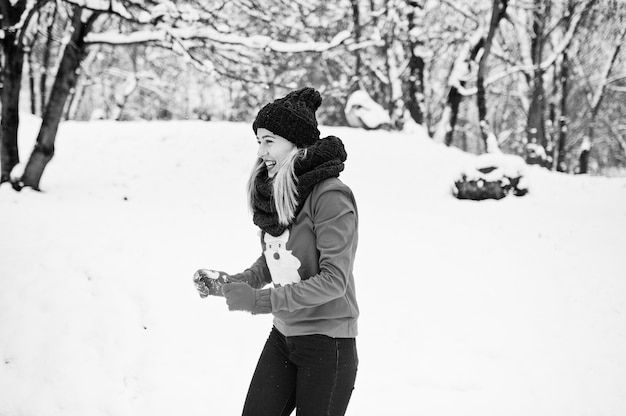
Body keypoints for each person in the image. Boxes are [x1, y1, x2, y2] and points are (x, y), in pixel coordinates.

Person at [193, 86, 359, 416]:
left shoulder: (330, 196)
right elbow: (278, 257)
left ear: (295, 142)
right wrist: (238, 282)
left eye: (269, 140)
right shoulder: (278, 193)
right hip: (284, 337)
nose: (261, 151)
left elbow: (333, 281)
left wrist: (258, 301)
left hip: (328, 345)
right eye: (259, 141)